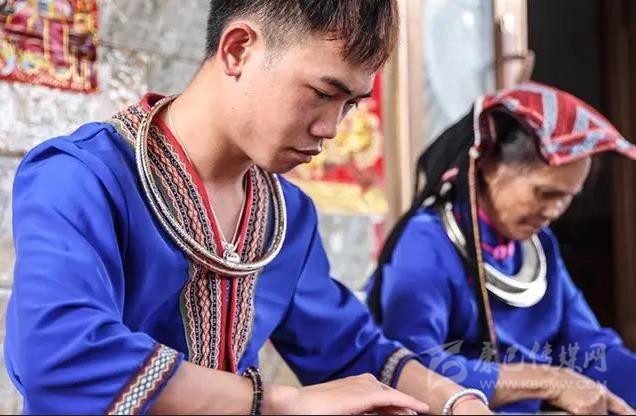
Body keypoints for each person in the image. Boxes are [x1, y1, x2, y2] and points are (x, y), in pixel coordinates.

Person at [4, 1, 492, 414]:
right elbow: (59, 356)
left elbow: (351, 348)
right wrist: (278, 402)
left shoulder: (285, 216)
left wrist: (457, 401)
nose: (331, 129)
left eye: (351, 105)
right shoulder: (82, 177)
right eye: (324, 94)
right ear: (238, 50)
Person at [366, 82, 636, 414]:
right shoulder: (427, 241)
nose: (554, 212)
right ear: (490, 166)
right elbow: (410, 366)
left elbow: (590, 349)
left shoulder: (539, 246)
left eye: (567, 198)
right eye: (545, 193)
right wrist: (546, 381)